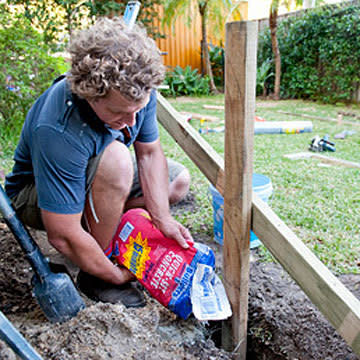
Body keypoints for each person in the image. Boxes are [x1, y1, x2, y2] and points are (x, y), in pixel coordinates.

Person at [5, 17, 192, 308]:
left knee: (177, 181)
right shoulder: (59, 128)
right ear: (91, 95)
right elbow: (62, 235)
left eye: (137, 111)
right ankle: (96, 275)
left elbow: (150, 154)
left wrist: (163, 219)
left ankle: (99, 227)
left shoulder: (137, 89)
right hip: (35, 194)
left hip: (93, 174)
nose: (132, 122)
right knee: (117, 160)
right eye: (119, 113)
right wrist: (115, 275)